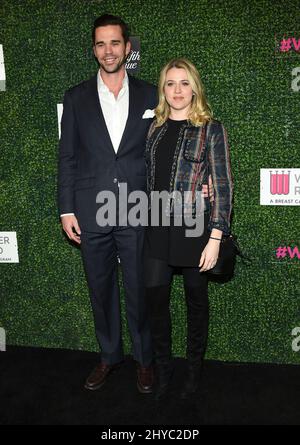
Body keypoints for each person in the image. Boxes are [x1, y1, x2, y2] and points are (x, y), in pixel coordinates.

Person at [58, 14, 157, 393]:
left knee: (138, 288)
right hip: (90, 210)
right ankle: (109, 356)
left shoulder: (151, 94)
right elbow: (67, 156)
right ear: (94, 49)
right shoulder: (76, 97)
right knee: (100, 289)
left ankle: (144, 360)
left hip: (136, 208)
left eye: (115, 43)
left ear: (127, 47)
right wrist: (67, 209)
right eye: (100, 44)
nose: (108, 51)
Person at [144, 58, 234, 400]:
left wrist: (215, 238)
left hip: (195, 230)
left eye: (184, 83)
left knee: (196, 303)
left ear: (194, 87)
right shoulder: (155, 126)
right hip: (156, 226)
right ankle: (164, 372)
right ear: (163, 89)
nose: (177, 90)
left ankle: (193, 372)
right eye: (170, 83)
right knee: (155, 302)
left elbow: (222, 186)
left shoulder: (211, 128)